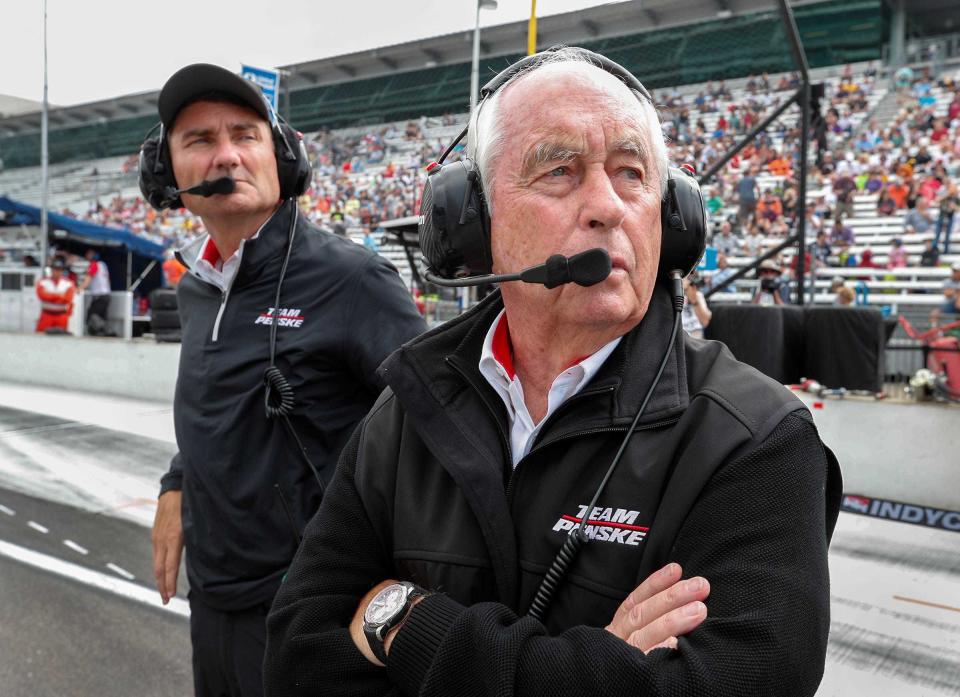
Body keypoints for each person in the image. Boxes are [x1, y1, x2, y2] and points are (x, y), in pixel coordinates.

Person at [265, 48, 840, 697]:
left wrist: (403, 618)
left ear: (671, 214)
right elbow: (298, 653)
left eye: (631, 173)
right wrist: (602, 671)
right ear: (473, 221)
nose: (608, 206)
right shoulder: (407, 409)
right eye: (560, 171)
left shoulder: (758, 438)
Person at [142, 63, 426, 697]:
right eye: (199, 141)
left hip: (311, 609)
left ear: (283, 158)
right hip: (213, 599)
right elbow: (217, 407)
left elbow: (440, 432)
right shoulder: (196, 286)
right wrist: (176, 484)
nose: (227, 155)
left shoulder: (354, 280)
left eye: (245, 134)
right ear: (168, 175)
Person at [78, 248, 113, 335]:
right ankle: (104, 334)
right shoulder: (103, 265)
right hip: (106, 295)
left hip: (99, 296)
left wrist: (79, 288)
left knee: (91, 316)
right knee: (101, 318)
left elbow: (88, 279)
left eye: (89, 254)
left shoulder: (94, 265)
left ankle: (108, 331)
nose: (87, 255)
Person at [35, 257, 75, 333]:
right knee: (41, 337)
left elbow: (67, 299)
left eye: (59, 269)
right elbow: (42, 296)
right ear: (51, 270)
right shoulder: (43, 282)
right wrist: (59, 296)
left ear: (62, 271)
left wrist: (50, 296)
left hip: (61, 315)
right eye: (55, 269)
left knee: (61, 338)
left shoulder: (69, 284)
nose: (57, 272)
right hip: (46, 314)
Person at [681, 273, 711, 339]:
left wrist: (694, 301)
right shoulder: (673, 295)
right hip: (680, 335)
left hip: (696, 335)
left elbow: (705, 322)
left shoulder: (698, 295)